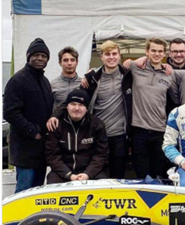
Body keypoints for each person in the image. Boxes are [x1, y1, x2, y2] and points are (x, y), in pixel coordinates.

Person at [58, 40, 132, 179]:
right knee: (97, 175)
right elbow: (73, 101)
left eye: (114, 54)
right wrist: (55, 116)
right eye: (107, 54)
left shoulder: (128, 76)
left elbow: (149, 64)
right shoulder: (92, 79)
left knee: (118, 176)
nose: (111, 57)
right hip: (97, 134)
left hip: (120, 135)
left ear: (119, 56)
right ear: (101, 57)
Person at [3, 38, 54, 192]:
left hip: (41, 151)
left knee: (36, 193)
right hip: (25, 151)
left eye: (44, 56)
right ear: (28, 56)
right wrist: (33, 131)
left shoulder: (45, 82)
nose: (40, 58)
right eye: (36, 55)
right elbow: (10, 112)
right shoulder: (18, 80)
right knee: (24, 191)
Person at [125, 38, 177, 179]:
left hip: (160, 130)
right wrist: (89, 74)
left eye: (160, 51)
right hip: (138, 129)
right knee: (142, 174)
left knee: (158, 172)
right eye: (153, 50)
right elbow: (111, 67)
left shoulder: (169, 73)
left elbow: (176, 98)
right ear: (147, 51)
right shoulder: (135, 67)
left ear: (165, 54)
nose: (157, 54)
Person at [45, 89, 109, 184]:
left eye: (81, 105)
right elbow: (52, 155)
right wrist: (69, 175)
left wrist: (87, 174)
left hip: (90, 171)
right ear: (67, 106)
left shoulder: (97, 124)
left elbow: (101, 154)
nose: (77, 108)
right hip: (62, 172)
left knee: (103, 184)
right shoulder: (56, 125)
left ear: (87, 108)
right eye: (73, 104)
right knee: (52, 182)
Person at [51, 46, 80, 113]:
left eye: (72, 60)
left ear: (77, 62)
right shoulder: (52, 85)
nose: (69, 63)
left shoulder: (84, 84)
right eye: (65, 60)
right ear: (60, 63)